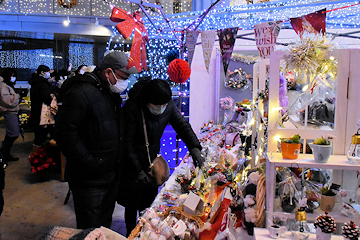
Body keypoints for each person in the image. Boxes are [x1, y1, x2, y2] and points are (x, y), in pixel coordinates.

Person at [54, 51, 137, 229]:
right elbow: (64, 133)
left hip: (109, 174)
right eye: (124, 77)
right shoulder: (80, 93)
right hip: (88, 179)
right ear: (108, 72)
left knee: (104, 226)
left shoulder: (109, 92)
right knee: (89, 228)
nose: (126, 82)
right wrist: (91, 163)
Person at [120, 78, 204, 236]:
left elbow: (182, 126)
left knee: (150, 202)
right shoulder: (133, 107)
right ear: (147, 101)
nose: (160, 109)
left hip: (152, 161)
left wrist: (194, 147)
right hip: (132, 163)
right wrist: (137, 170)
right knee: (131, 204)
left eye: (163, 105)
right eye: (156, 106)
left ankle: (147, 232)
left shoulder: (167, 105)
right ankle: (131, 234)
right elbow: (127, 143)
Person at [28, 65, 53, 155]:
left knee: (39, 132)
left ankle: (36, 154)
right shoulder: (42, 83)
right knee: (41, 133)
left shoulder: (35, 82)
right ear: (42, 72)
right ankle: (35, 155)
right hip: (42, 111)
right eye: (47, 72)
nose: (48, 74)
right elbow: (45, 97)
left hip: (36, 109)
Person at [0, 69, 20, 162]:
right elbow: (8, 101)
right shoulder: (3, 86)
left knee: (11, 133)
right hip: (9, 112)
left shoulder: (7, 85)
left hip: (12, 112)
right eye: (12, 75)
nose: (13, 78)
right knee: (13, 134)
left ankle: (5, 152)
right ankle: (4, 152)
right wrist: (17, 96)